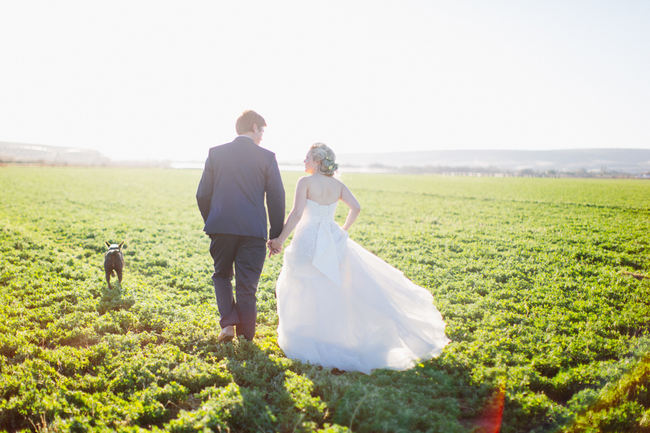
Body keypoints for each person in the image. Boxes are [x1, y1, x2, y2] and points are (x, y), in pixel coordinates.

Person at [268, 143, 450, 374]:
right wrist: (342, 229)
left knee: (302, 285)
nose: (303, 161)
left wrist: (280, 240)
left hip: (307, 240)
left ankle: (305, 336)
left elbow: (296, 214)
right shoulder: (338, 185)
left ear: (316, 161)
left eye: (306, 158)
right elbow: (356, 207)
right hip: (331, 239)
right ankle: (331, 335)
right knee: (330, 286)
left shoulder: (305, 182)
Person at [197, 110, 285, 342]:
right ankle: (246, 338)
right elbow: (276, 197)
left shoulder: (216, 153)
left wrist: (213, 221)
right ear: (254, 127)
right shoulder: (267, 157)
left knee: (222, 276)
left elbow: (202, 194)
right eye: (262, 131)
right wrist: (275, 235)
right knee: (247, 286)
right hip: (253, 231)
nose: (262, 136)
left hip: (221, 227)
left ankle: (227, 326)